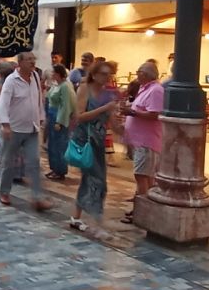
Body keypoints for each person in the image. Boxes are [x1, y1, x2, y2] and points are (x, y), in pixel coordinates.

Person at [69, 61, 122, 239]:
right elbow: (80, 116)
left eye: (109, 74)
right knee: (98, 181)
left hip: (99, 142)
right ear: (95, 73)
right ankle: (97, 223)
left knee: (89, 179)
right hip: (85, 140)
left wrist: (124, 129)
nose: (107, 77)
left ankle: (76, 217)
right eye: (104, 74)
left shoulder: (108, 94)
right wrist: (105, 108)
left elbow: (112, 122)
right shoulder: (85, 89)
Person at [0, 52, 52, 210]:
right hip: (13, 129)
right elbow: (3, 104)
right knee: (8, 161)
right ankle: (4, 191)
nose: (33, 62)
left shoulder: (35, 76)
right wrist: (5, 125)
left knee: (34, 161)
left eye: (34, 59)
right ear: (19, 63)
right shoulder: (11, 81)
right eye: (29, 60)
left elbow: (38, 99)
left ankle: (36, 197)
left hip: (32, 128)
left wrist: (41, 116)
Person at [118, 61, 164, 225]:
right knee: (143, 176)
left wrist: (133, 112)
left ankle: (144, 210)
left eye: (138, 71)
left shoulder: (156, 90)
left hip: (147, 141)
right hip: (139, 141)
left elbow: (154, 114)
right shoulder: (146, 88)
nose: (136, 74)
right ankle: (141, 207)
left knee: (142, 175)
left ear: (145, 74)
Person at [46, 64, 76, 181]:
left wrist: (60, 121)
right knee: (52, 144)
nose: (52, 75)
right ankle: (54, 167)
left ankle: (60, 169)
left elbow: (65, 105)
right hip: (52, 113)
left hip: (59, 116)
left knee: (60, 145)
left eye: (54, 73)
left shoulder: (65, 86)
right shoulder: (56, 85)